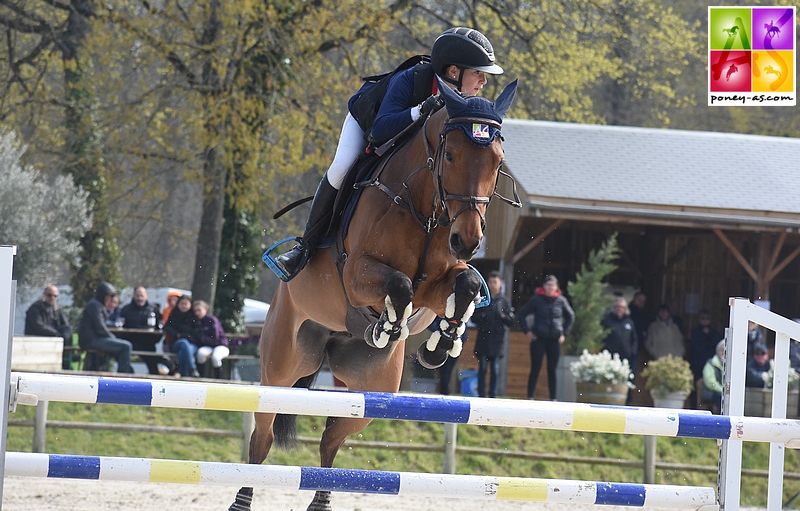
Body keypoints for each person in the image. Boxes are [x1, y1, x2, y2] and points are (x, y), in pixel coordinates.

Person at [272, 27, 504, 282]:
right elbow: (381, 129)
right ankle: (305, 247)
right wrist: (420, 110)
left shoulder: (465, 103)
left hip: (408, 149)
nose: (483, 82)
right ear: (453, 72)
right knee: (341, 169)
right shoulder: (410, 80)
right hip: (370, 126)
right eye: (478, 74)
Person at [517, 275, 574, 401]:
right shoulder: (537, 299)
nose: (550, 287)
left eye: (553, 285)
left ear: (556, 287)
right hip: (538, 339)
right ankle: (530, 397)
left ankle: (553, 398)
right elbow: (521, 315)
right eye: (548, 285)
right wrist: (527, 331)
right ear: (544, 286)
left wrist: (564, 333)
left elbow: (571, 316)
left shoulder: (561, 300)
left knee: (552, 369)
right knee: (535, 368)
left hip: (554, 340)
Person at [471, 271, 515, 398]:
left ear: (500, 284)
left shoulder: (505, 301)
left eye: (495, 282)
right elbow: (473, 318)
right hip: (483, 338)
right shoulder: (482, 299)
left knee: (495, 369)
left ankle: (492, 395)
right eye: (490, 282)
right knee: (483, 368)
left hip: (497, 340)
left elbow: (511, 320)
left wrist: (503, 316)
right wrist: (482, 316)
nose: (492, 285)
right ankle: (481, 394)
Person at [77, 282, 133, 373]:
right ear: (102, 295)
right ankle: (124, 374)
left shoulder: (97, 305)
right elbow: (100, 328)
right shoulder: (94, 305)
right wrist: (113, 338)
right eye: (107, 296)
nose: (109, 299)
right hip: (92, 340)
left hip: (95, 339)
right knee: (126, 346)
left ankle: (127, 370)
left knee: (122, 346)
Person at [119, 286, 168, 375]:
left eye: (142, 295)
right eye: (137, 295)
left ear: (147, 296)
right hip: (131, 343)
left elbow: (160, 327)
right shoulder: (125, 310)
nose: (140, 298)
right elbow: (120, 327)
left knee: (153, 366)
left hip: (148, 344)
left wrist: (154, 339)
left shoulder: (153, 309)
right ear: (133, 296)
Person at [25, 285, 73, 369]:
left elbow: (65, 324)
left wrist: (61, 332)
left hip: (54, 335)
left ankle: (67, 354)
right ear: (44, 295)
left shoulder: (56, 309)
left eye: (55, 296)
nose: (52, 298)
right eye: (49, 295)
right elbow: (38, 326)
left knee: (67, 330)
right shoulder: (35, 308)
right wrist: (55, 333)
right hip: (39, 336)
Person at [163, 295, 199, 377]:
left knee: (182, 352)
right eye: (182, 303)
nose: (184, 306)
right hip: (176, 343)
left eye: (186, 304)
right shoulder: (174, 314)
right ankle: (192, 368)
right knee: (183, 343)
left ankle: (184, 376)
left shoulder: (194, 316)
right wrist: (176, 335)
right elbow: (167, 327)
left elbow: (197, 332)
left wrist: (185, 336)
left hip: (192, 344)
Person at [192, 300, 229, 379]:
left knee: (215, 358)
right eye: (195, 311)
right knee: (200, 354)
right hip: (208, 346)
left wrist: (202, 339)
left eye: (199, 310)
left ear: (205, 309)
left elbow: (215, 339)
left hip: (220, 345)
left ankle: (218, 379)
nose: (197, 313)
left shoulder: (212, 320)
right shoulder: (197, 322)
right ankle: (201, 378)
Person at [688, 310, 723, 383]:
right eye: (703, 318)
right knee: (698, 382)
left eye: (707, 318)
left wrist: (709, 335)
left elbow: (718, 344)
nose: (705, 320)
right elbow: (697, 346)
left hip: (710, 361)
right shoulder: (695, 332)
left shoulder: (714, 333)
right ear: (699, 319)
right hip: (698, 362)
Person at [701, 340, 725, 413]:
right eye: (722, 350)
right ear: (717, 351)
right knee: (721, 398)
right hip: (710, 393)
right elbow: (710, 383)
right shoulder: (711, 363)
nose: (724, 352)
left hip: (722, 392)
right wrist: (723, 390)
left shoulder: (730, 365)